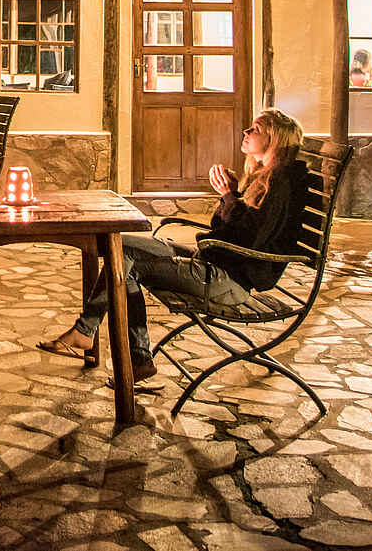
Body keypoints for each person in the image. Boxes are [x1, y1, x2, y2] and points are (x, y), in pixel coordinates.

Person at [36, 109, 311, 383]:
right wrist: (232, 195)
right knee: (119, 245)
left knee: (124, 261)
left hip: (228, 281)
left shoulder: (280, 183)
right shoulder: (264, 178)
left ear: (274, 139)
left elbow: (251, 238)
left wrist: (229, 197)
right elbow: (230, 229)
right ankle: (94, 336)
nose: (246, 133)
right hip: (216, 263)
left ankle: (118, 348)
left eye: (256, 129)